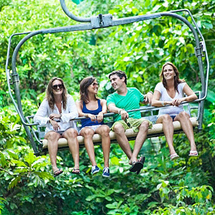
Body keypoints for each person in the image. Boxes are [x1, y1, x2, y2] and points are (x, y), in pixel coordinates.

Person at [107, 70, 153, 174]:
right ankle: (134, 159)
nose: (112, 82)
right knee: (117, 127)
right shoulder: (112, 97)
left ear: (122, 78)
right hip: (122, 121)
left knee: (145, 123)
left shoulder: (134, 91)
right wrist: (120, 110)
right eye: (110, 81)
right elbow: (111, 107)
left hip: (136, 120)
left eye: (114, 79)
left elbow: (145, 99)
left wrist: (150, 94)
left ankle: (133, 158)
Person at [151, 62, 198, 160]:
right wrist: (168, 102)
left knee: (184, 114)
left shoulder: (181, 85)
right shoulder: (160, 86)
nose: (167, 72)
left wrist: (182, 100)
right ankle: (172, 150)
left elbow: (194, 96)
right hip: (163, 117)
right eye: (165, 71)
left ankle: (193, 146)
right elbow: (153, 102)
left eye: (170, 70)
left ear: (175, 73)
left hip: (177, 116)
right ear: (163, 74)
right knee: (166, 117)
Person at [34, 77, 80, 176]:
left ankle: (76, 165)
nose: (58, 88)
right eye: (55, 86)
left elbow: (75, 114)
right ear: (51, 89)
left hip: (67, 128)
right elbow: (36, 118)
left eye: (60, 86)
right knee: (52, 136)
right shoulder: (47, 101)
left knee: (72, 133)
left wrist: (61, 116)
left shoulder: (69, 98)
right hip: (53, 131)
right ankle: (54, 167)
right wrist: (49, 121)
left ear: (63, 88)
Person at [76, 77, 111, 177]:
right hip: (86, 127)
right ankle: (94, 165)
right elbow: (79, 113)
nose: (96, 86)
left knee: (105, 129)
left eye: (97, 84)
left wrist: (101, 113)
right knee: (88, 133)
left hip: (98, 126)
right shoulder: (80, 103)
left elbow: (105, 110)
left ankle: (106, 166)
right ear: (86, 87)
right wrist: (87, 115)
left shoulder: (101, 101)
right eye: (93, 84)